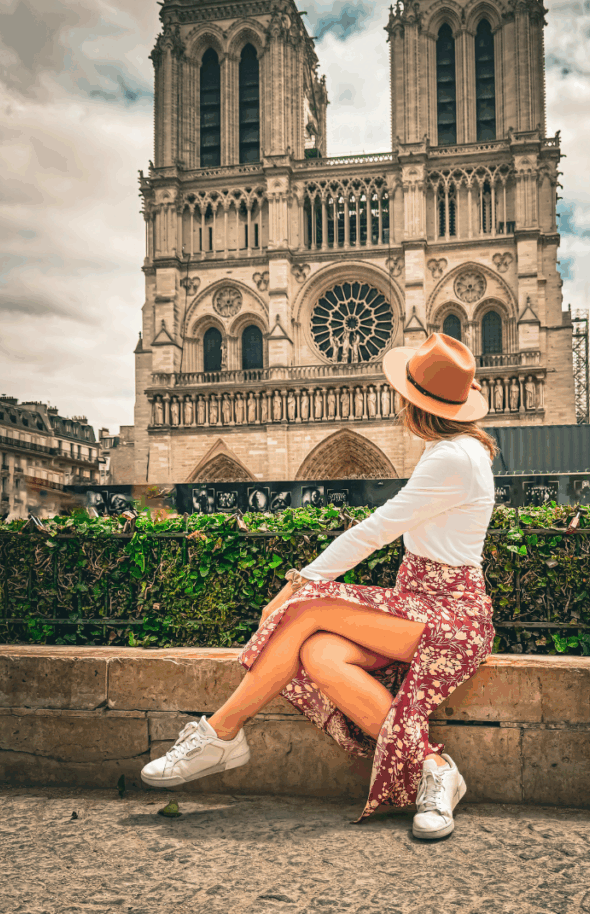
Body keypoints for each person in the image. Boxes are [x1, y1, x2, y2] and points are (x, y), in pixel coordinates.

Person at [141, 333, 497, 840]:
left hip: (451, 618)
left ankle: (220, 733)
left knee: (307, 609)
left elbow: (375, 530)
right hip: (424, 606)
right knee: (321, 653)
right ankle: (434, 769)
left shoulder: (452, 458)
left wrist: (294, 585)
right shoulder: (456, 449)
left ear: (415, 405)